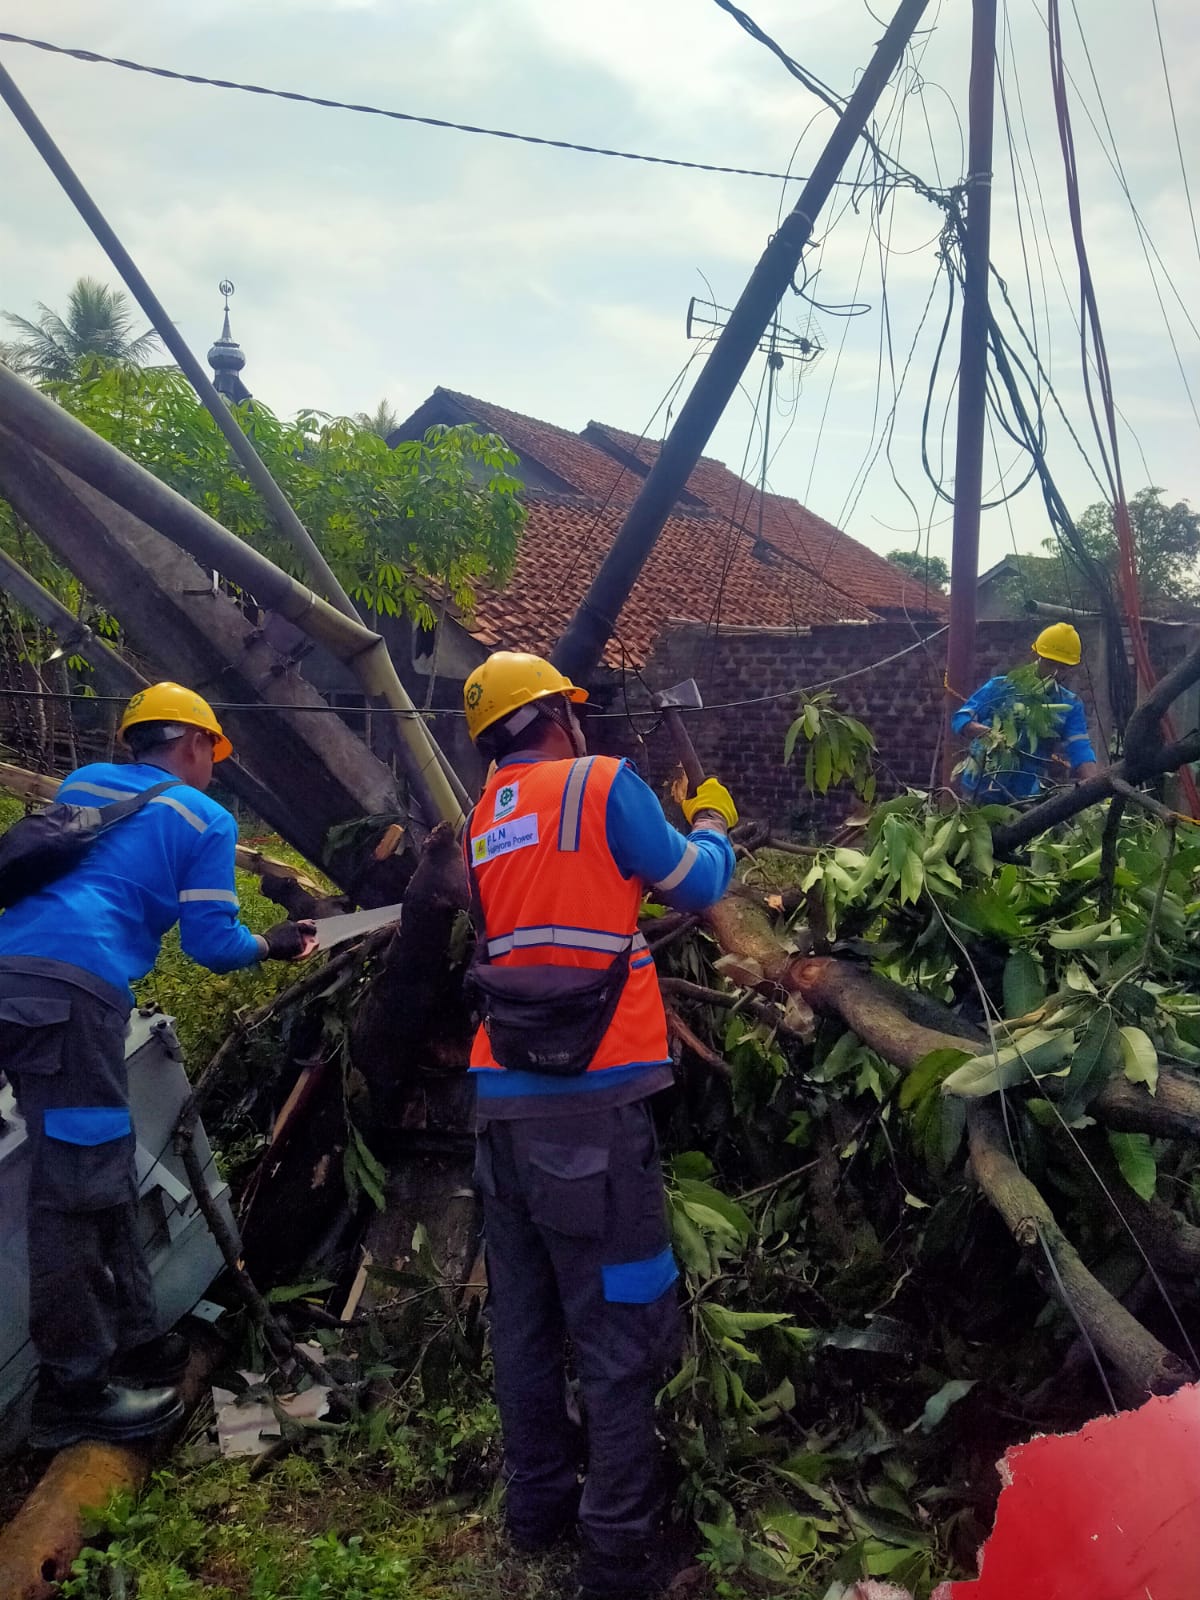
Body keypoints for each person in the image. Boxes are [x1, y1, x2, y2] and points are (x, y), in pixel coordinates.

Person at [461, 650, 737, 1600]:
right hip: (595, 1113)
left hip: (500, 1109)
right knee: (623, 1328)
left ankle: (536, 1511)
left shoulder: (480, 820)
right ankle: (618, 1555)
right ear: (559, 716)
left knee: (527, 1323)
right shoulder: (603, 783)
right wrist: (711, 823)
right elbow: (694, 887)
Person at [0, 683, 316, 1451]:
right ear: (195, 745)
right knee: (75, 1190)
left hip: (16, 974)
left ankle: (138, 1341)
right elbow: (212, 944)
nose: (214, 767)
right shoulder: (204, 815)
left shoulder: (86, 786)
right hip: (71, 993)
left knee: (98, 1166)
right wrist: (276, 943)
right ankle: (70, 1394)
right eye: (213, 753)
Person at [952, 623, 1100, 803]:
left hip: (1024, 793)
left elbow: (1080, 750)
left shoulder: (1070, 704)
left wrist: (1097, 789)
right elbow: (961, 719)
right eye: (1050, 663)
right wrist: (987, 733)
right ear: (1034, 655)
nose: (1054, 672)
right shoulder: (1001, 687)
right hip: (979, 785)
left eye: (1062, 668)